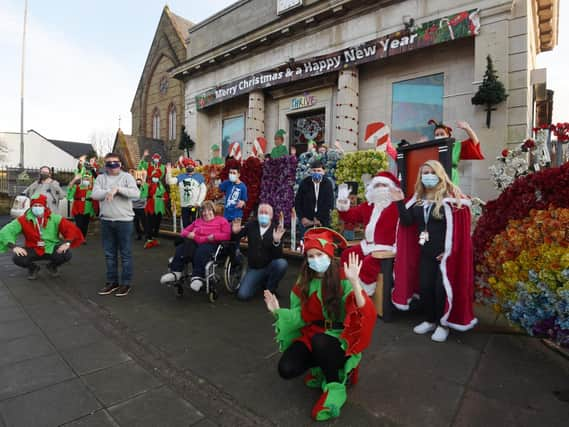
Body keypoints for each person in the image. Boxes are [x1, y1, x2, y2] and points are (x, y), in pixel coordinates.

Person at [264, 228, 376, 421]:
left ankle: (335, 383)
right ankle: (322, 368)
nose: (315, 259)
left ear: (329, 255)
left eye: (319, 254)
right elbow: (301, 315)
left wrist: (356, 284)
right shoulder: (304, 281)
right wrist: (277, 312)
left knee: (320, 341)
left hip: (339, 337)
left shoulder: (343, 277)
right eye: (310, 256)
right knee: (286, 369)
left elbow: (364, 312)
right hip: (314, 334)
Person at [390, 160, 477, 343]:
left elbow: (459, 231)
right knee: (426, 288)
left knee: (441, 291)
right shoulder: (418, 199)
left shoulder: (452, 198)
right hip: (425, 254)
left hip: (445, 256)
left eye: (431, 172)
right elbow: (407, 223)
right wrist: (399, 200)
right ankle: (430, 320)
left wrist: (449, 252)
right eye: (424, 173)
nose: (427, 176)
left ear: (439, 174)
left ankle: (442, 324)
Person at [336, 171, 400, 295]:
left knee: (368, 264)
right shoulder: (369, 206)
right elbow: (350, 216)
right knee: (348, 254)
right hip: (369, 246)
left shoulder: (396, 207)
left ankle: (363, 294)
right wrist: (343, 202)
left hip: (386, 249)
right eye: (377, 185)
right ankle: (346, 289)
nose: (380, 189)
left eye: (384, 185)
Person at [0, 194, 84, 279]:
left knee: (66, 254)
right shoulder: (23, 219)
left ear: (45, 206)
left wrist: (67, 243)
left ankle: (52, 266)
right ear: (31, 207)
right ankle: (33, 268)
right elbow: (6, 231)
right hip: (32, 248)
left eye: (40, 205)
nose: (37, 207)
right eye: (35, 205)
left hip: (50, 247)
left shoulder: (55, 218)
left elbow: (71, 228)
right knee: (17, 258)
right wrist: (14, 247)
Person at [92, 153, 140, 297]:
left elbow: (135, 194)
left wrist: (118, 190)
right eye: (109, 163)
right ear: (105, 165)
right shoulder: (101, 178)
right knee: (109, 254)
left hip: (124, 221)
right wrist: (109, 190)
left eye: (115, 162)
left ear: (121, 163)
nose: (112, 165)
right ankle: (112, 282)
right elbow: (95, 194)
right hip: (107, 220)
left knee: (125, 254)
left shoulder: (127, 177)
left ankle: (125, 283)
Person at [160, 201, 231, 295]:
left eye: (209, 210)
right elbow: (183, 232)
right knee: (182, 247)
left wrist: (215, 236)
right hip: (196, 242)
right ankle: (176, 272)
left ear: (213, 211)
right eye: (204, 211)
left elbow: (227, 235)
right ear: (201, 213)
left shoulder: (222, 220)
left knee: (201, 251)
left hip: (211, 244)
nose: (206, 213)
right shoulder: (198, 221)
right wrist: (189, 234)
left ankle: (198, 277)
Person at [231, 203, 287, 301]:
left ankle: (270, 289)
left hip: (270, 265)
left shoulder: (276, 229)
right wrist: (235, 232)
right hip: (255, 268)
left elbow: (279, 255)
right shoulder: (251, 225)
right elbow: (236, 237)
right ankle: (259, 282)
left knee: (282, 264)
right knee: (243, 295)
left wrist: (276, 241)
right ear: (257, 214)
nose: (263, 214)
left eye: (266, 213)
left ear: (271, 216)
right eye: (261, 212)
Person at [428, 119, 484, 185]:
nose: (439, 136)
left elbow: (475, 143)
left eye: (442, 134)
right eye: (437, 135)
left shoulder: (456, 146)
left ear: (448, 135)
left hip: (451, 177)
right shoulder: (431, 148)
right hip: (435, 177)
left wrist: (468, 129)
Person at [295, 159, 334, 238]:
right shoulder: (304, 183)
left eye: (319, 170)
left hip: (322, 221)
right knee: (307, 242)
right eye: (314, 170)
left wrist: (318, 219)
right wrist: (302, 218)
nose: (316, 173)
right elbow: (298, 202)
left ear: (323, 171)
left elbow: (329, 203)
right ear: (311, 172)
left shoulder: (328, 184)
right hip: (305, 221)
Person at [166, 158, 206, 228]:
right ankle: (186, 238)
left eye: (191, 165)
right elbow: (170, 182)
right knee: (185, 224)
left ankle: (194, 238)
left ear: (194, 166)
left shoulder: (199, 177)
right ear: (185, 167)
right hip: (184, 206)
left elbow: (203, 190)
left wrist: (199, 202)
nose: (189, 166)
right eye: (187, 165)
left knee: (195, 224)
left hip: (194, 206)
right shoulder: (181, 176)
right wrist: (168, 172)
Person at [140, 169, 169, 249]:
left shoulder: (161, 185)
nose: (155, 178)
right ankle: (148, 238)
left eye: (157, 177)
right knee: (150, 222)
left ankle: (153, 237)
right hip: (151, 206)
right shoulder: (148, 184)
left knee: (157, 222)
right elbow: (143, 195)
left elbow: (165, 194)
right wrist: (143, 185)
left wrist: (165, 198)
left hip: (159, 205)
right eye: (154, 177)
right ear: (152, 177)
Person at [67, 167, 98, 241]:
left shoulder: (92, 187)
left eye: (88, 178)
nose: (86, 179)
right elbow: (69, 196)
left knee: (85, 225)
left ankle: (82, 238)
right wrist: (73, 183)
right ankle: (78, 238)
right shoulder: (77, 186)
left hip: (88, 208)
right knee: (79, 224)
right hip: (78, 208)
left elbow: (98, 182)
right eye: (85, 178)